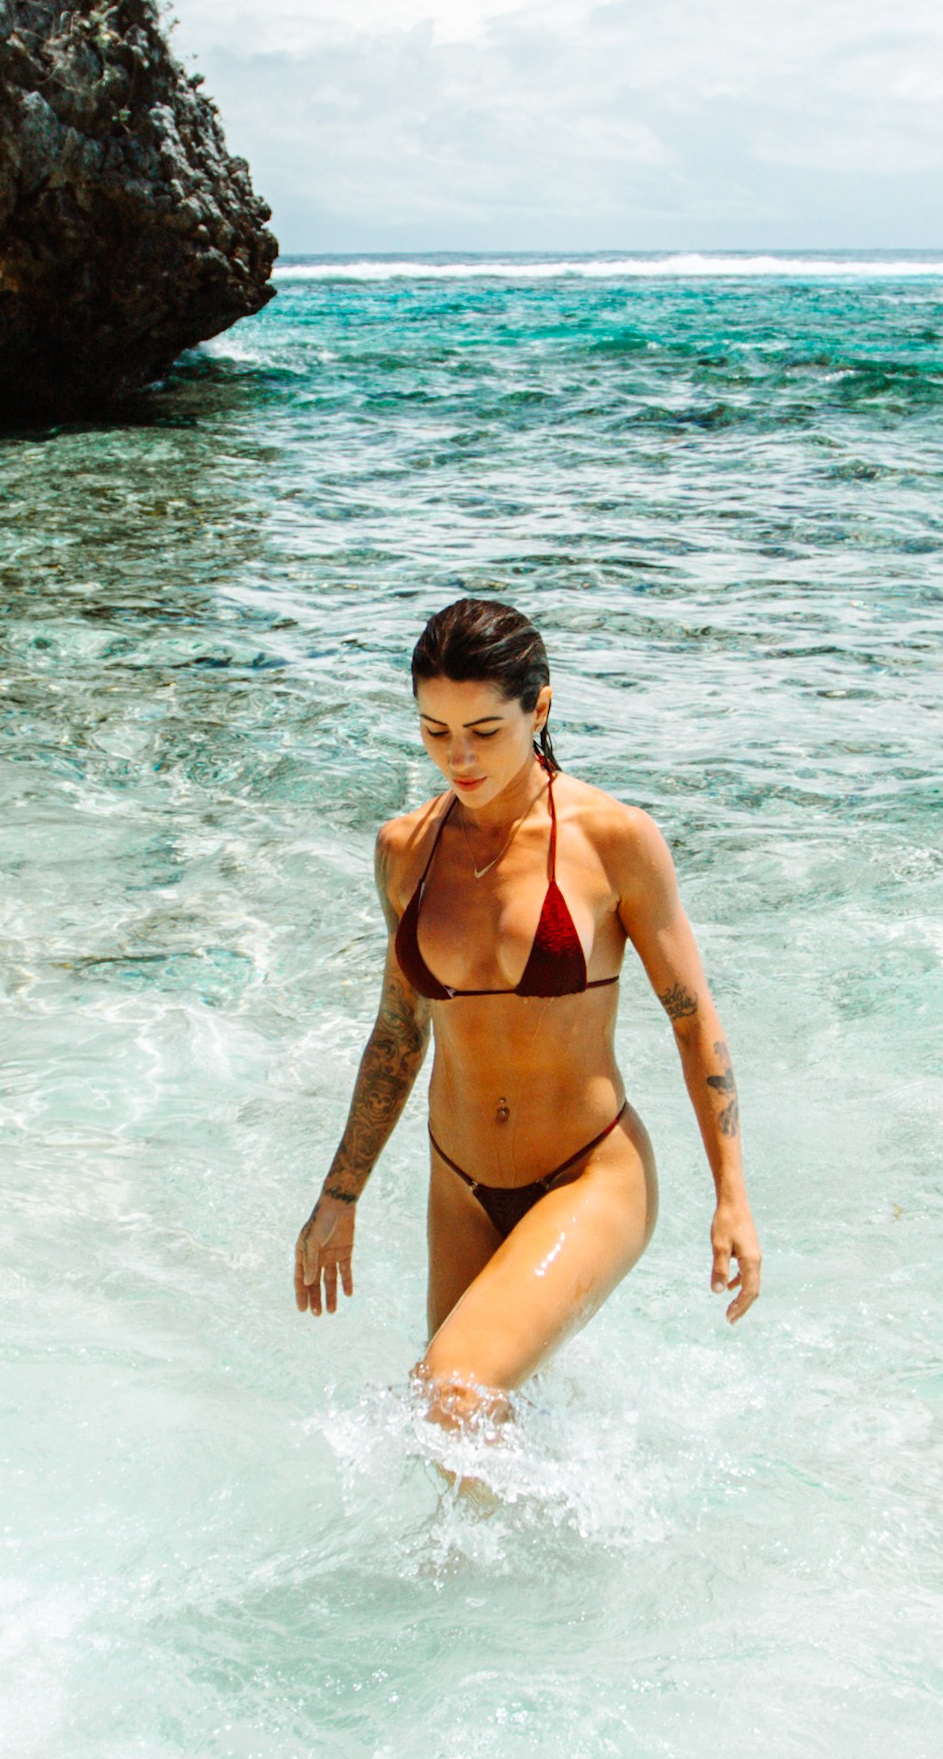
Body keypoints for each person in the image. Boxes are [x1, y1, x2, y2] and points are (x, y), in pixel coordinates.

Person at [292, 596, 762, 1434]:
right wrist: (339, 1195)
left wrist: (731, 1195)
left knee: (453, 1391)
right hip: (458, 1182)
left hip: (588, 1172)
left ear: (538, 708)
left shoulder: (613, 839)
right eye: (434, 731)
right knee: (460, 1432)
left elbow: (691, 1019)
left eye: (483, 729)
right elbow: (398, 1035)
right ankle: (537, 1563)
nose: (458, 757)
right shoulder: (404, 850)